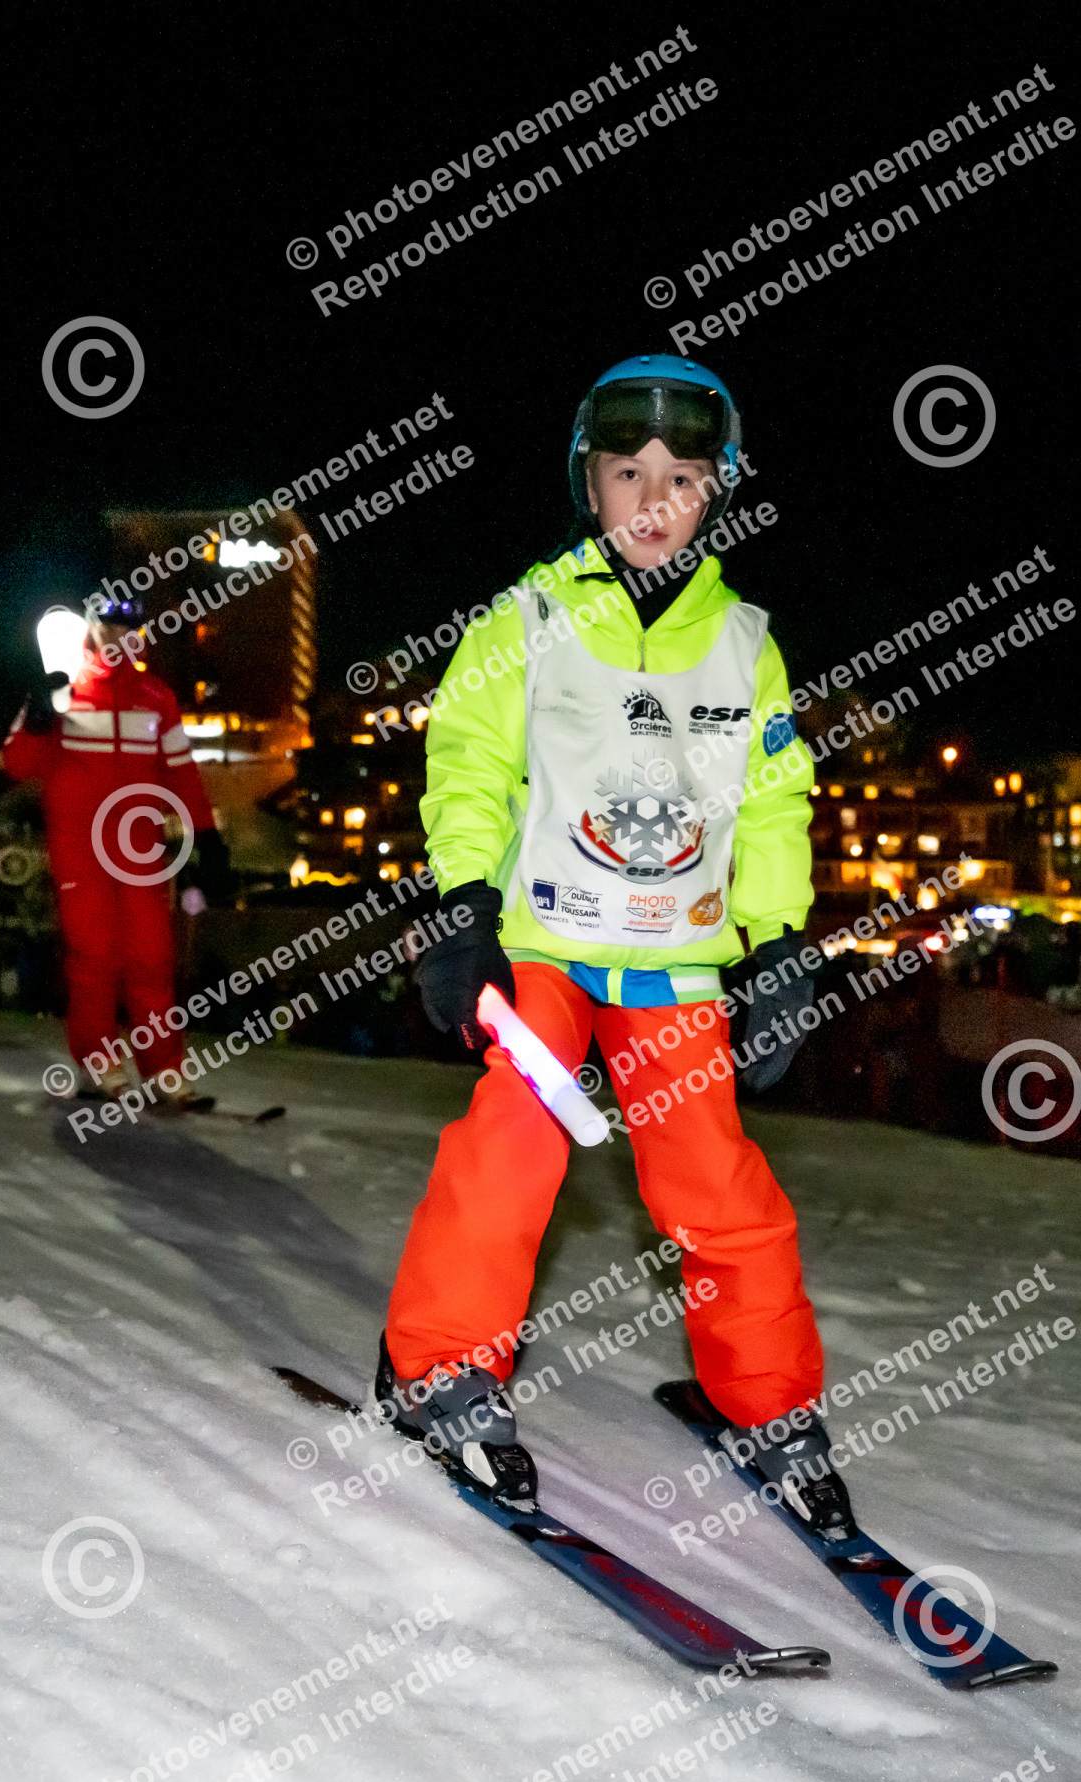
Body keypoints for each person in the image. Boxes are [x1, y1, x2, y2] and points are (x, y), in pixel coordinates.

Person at [378, 355, 857, 1538]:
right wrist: (460, 908)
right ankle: (442, 1366)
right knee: (512, 1147)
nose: (652, 500)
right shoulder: (525, 620)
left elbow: (771, 805)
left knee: (715, 1181)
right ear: (585, 483)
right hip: (541, 947)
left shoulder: (745, 643)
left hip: (674, 962)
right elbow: (468, 768)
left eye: (681, 476)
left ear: (717, 490)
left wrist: (777, 945)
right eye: (625, 472)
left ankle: (766, 1403)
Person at [4, 599, 231, 1104]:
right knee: (94, 957)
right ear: (92, 630)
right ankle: (97, 1064)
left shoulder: (156, 697)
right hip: (79, 849)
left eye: (129, 627)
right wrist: (39, 718)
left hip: (139, 849)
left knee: (152, 957)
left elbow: (181, 772)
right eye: (109, 626)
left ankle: (163, 1068)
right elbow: (18, 765)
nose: (119, 635)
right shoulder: (62, 690)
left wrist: (207, 836)